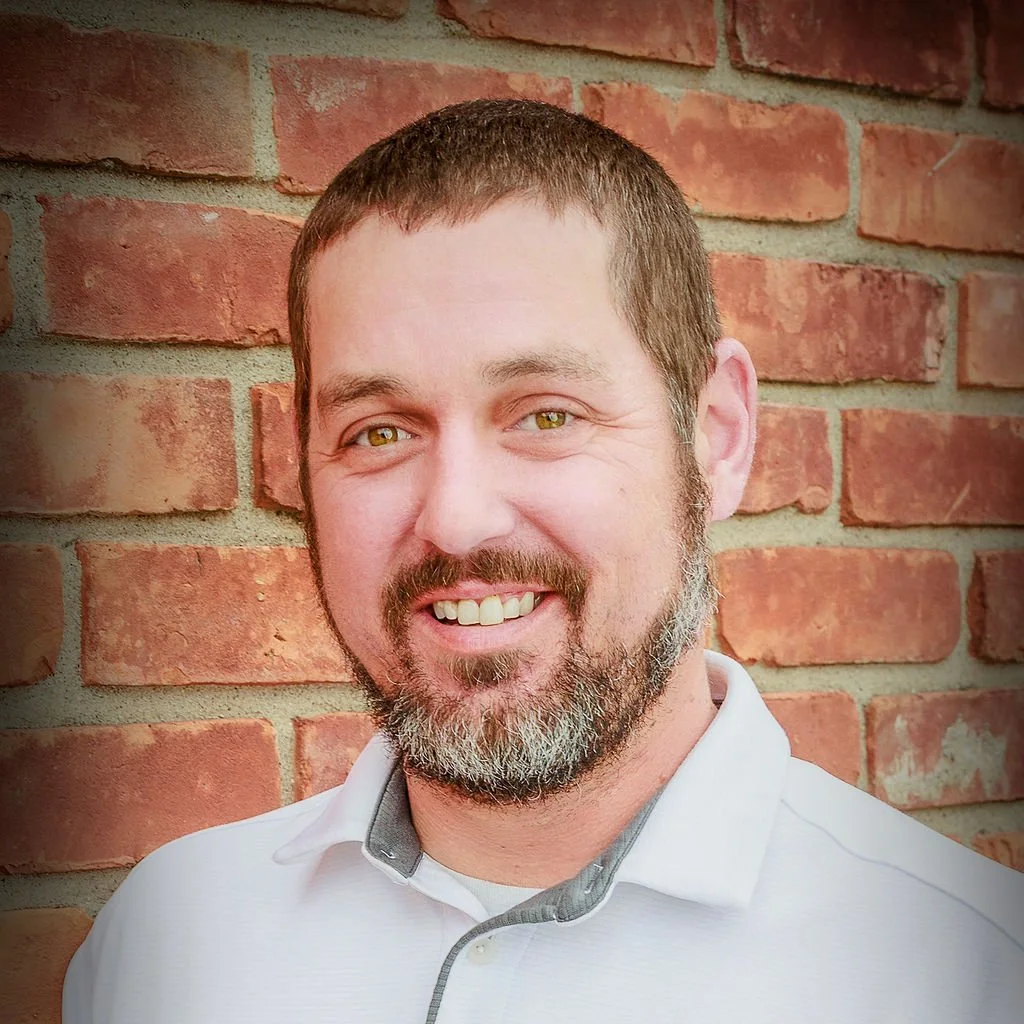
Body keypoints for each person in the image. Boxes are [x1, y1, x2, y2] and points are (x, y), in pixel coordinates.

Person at [64, 99, 1023, 1023]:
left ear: (719, 436)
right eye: (380, 430)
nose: (458, 520)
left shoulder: (967, 973)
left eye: (547, 414)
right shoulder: (167, 943)